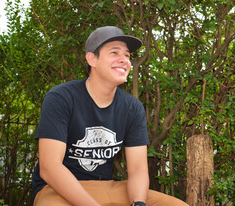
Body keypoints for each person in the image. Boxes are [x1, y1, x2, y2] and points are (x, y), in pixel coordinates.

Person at [32, 26, 188, 206]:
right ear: (92, 59)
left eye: (127, 56)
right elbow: (50, 168)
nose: (124, 60)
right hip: (57, 189)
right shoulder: (61, 98)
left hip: (107, 187)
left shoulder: (132, 107)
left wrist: (138, 203)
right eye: (114, 53)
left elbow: (137, 169)